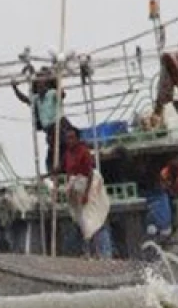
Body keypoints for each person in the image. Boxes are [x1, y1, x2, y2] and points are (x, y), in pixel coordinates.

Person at [57, 127, 113, 259]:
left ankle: (96, 252)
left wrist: (87, 195)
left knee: (90, 220)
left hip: (88, 186)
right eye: (67, 138)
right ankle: (89, 252)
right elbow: (63, 169)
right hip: (76, 188)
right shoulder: (68, 153)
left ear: (77, 139)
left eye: (72, 138)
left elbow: (90, 174)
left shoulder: (83, 151)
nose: (69, 141)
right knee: (81, 221)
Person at [12, 66, 73, 171]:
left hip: (59, 126)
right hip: (50, 131)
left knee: (61, 149)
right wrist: (15, 89)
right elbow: (24, 99)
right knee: (53, 155)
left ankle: (63, 167)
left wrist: (57, 78)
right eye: (38, 85)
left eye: (42, 84)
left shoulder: (51, 93)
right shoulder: (36, 99)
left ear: (47, 85)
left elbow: (61, 94)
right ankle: (56, 169)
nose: (40, 87)